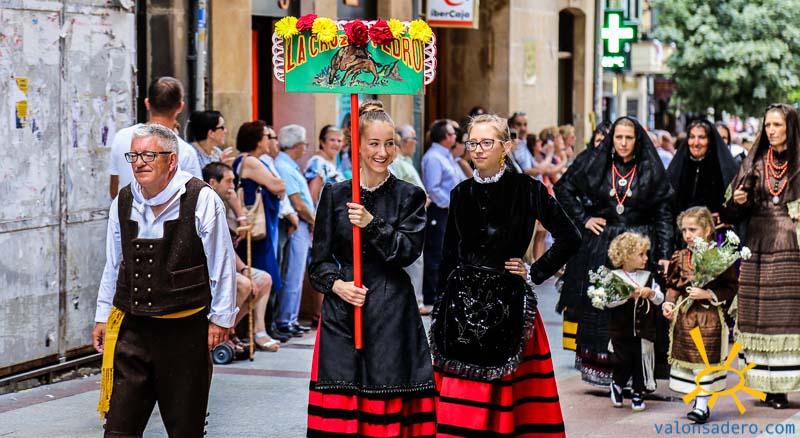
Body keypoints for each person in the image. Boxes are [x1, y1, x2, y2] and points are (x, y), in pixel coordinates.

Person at [429, 114, 580, 436]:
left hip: (509, 302)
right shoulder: (460, 192)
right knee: (460, 398)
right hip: (461, 305)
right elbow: (449, 254)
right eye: (472, 143)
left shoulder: (528, 189)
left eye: (487, 142)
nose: (478, 149)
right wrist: (441, 305)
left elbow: (571, 236)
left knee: (508, 399)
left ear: (506, 146)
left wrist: (534, 271)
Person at [92, 124, 237, 436]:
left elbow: (221, 262)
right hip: (133, 329)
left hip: (184, 331)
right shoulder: (123, 200)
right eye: (134, 156)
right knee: (119, 429)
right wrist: (103, 314)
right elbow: (113, 262)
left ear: (171, 160)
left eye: (148, 155)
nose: (139, 163)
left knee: (185, 428)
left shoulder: (201, 198)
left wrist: (221, 319)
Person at [307, 103, 435, 436]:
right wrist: (338, 286)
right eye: (374, 143)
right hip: (342, 312)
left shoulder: (410, 196)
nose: (382, 152)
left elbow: (407, 251)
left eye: (389, 143)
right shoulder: (334, 194)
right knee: (341, 395)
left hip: (392, 310)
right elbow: (318, 262)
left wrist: (371, 223)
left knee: (386, 396)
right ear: (358, 145)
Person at [555, 116, 673, 387]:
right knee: (605, 307)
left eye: (628, 138)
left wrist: (665, 253)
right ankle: (605, 371)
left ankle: (636, 375)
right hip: (604, 245)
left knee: (637, 308)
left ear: (637, 139)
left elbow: (664, 213)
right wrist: (584, 218)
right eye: (618, 137)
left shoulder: (650, 168)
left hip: (640, 245)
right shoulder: (597, 162)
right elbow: (563, 188)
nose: (623, 143)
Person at [724, 103, 800, 409]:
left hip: (791, 246)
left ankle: (785, 383)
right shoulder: (754, 161)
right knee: (760, 315)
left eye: (777, 125)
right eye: (768, 125)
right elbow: (731, 210)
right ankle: (768, 386)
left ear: (790, 127)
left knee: (788, 315)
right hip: (758, 243)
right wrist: (739, 200)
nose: (771, 130)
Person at [663, 207, 737, 423]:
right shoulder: (680, 256)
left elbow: (731, 287)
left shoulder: (720, 257)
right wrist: (669, 303)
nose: (687, 234)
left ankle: (702, 405)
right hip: (685, 317)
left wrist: (708, 294)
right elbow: (673, 285)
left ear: (707, 230)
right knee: (689, 359)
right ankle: (698, 399)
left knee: (705, 359)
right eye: (684, 230)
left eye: (693, 229)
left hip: (709, 317)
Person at [203, 162, 280, 352]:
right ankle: (219, 333)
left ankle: (242, 331)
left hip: (228, 264)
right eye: (228, 181)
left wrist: (244, 268)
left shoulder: (226, 203)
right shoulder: (205, 205)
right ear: (213, 182)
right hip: (208, 269)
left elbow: (231, 244)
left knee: (263, 279)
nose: (233, 186)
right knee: (245, 284)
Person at [556, 120, 612, 352]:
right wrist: (584, 218)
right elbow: (562, 189)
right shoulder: (585, 160)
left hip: (616, 238)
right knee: (583, 293)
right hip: (590, 238)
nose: (601, 146)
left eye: (606, 141)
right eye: (598, 141)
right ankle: (585, 351)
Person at [108, 77, 202, 199]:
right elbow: (195, 198)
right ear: (180, 106)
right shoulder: (186, 151)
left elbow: (114, 188)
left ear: (147, 103)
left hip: (126, 210)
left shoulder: (121, 137)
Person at [604, 232, 664, 412]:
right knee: (622, 362)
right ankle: (617, 384)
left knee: (640, 363)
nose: (646, 258)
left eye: (646, 254)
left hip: (643, 332)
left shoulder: (648, 277)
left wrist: (651, 293)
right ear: (627, 256)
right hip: (620, 332)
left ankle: (638, 392)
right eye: (641, 254)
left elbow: (659, 298)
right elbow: (608, 301)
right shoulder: (614, 276)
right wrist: (627, 295)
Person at [667, 119, 739, 246]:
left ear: (709, 140)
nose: (696, 143)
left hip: (716, 238)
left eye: (701, 137)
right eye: (692, 137)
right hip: (683, 238)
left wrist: (723, 215)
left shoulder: (723, 168)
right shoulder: (679, 167)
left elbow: (735, 206)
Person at [274, 124, 315, 338]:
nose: (305, 147)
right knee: (293, 273)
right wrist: (314, 221)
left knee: (297, 274)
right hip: (297, 225)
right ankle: (285, 319)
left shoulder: (289, 165)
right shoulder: (284, 165)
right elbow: (297, 203)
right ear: (296, 145)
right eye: (304, 143)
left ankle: (291, 318)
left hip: (302, 225)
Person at [420, 119, 461, 314]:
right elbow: (433, 188)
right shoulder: (433, 158)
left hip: (448, 211)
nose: (455, 137)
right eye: (452, 134)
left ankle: (444, 294)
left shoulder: (446, 156)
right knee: (435, 253)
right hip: (438, 210)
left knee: (447, 253)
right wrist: (450, 203)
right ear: (444, 137)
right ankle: (431, 297)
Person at [390, 124, 427, 308]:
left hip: (413, 217)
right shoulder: (395, 165)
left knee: (415, 260)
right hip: (404, 218)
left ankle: (414, 301)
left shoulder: (404, 163)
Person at [305, 125, 346, 206]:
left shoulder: (329, 164)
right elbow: (312, 198)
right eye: (332, 140)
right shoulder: (318, 163)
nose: (336, 144)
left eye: (339, 141)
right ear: (322, 142)